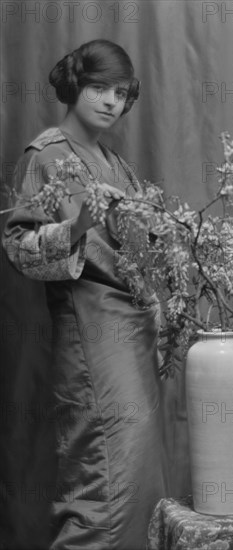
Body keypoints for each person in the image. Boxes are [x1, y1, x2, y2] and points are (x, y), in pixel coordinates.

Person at [2, 39, 168, 550]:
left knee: (139, 479)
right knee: (104, 478)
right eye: (99, 88)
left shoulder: (116, 163)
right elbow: (19, 245)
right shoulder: (46, 155)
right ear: (75, 87)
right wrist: (77, 225)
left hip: (135, 333)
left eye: (120, 93)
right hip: (93, 332)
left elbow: (138, 249)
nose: (110, 102)